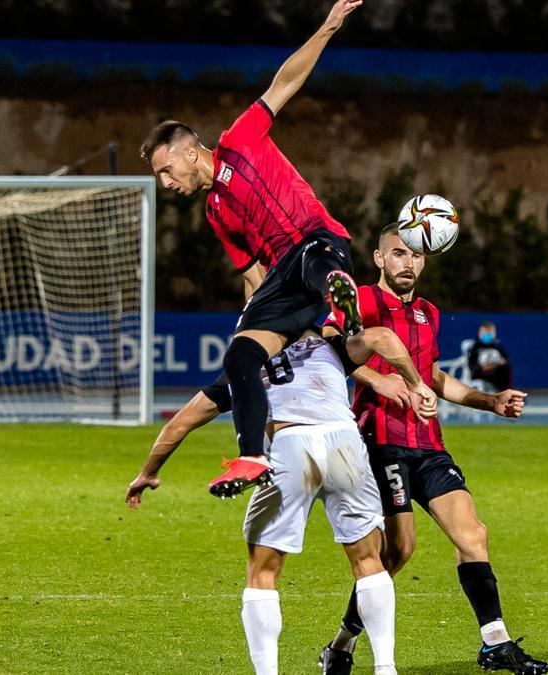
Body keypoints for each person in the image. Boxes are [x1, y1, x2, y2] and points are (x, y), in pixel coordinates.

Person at [139, 0, 365, 499]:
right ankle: (252, 457)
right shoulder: (215, 212)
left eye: (165, 171)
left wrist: (327, 28)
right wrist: (260, 324)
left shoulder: (239, 139)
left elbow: (284, 83)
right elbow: (252, 274)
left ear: (189, 151)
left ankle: (337, 292)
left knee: (314, 260)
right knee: (240, 354)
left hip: (319, 244)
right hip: (286, 281)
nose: (165, 182)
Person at [128, 327, 438, 675]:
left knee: (263, 572)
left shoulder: (248, 362)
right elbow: (382, 337)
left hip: (289, 444)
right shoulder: (331, 345)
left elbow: (179, 424)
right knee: (369, 561)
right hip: (344, 444)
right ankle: (385, 668)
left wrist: (148, 473)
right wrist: (415, 382)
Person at [318, 223, 548, 675]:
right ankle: (341, 644)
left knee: (473, 534)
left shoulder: (428, 313)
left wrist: (489, 401)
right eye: (399, 254)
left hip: (428, 443)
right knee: (399, 552)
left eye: (417, 256)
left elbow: (434, 377)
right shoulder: (360, 299)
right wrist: (376, 379)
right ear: (380, 259)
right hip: (379, 441)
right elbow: (327, 348)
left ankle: (495, 641)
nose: (409, 263)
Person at [467, 321, 512, 391]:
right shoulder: (476, 347)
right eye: (484, 333)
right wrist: (482, 368)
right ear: (479, 333)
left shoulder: (497, 346)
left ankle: (507, 391)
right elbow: (472, 365)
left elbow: (504, 360)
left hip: (496, 373)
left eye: (490, 333)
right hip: (481, 374)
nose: (487, 335)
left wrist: (498, 363)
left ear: (494, 333)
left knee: (506, 369)